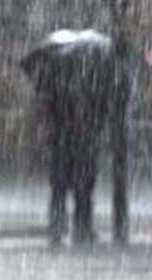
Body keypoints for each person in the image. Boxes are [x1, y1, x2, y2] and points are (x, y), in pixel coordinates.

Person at [38, 54, 115, 247]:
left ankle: (60, 226)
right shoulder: (90, 85)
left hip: (65, 144)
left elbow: (47, 115)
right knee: (80, 188)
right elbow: (100, 113)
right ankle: (80, 227)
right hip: (79, 144)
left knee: (62, 188)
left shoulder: (55, 85)